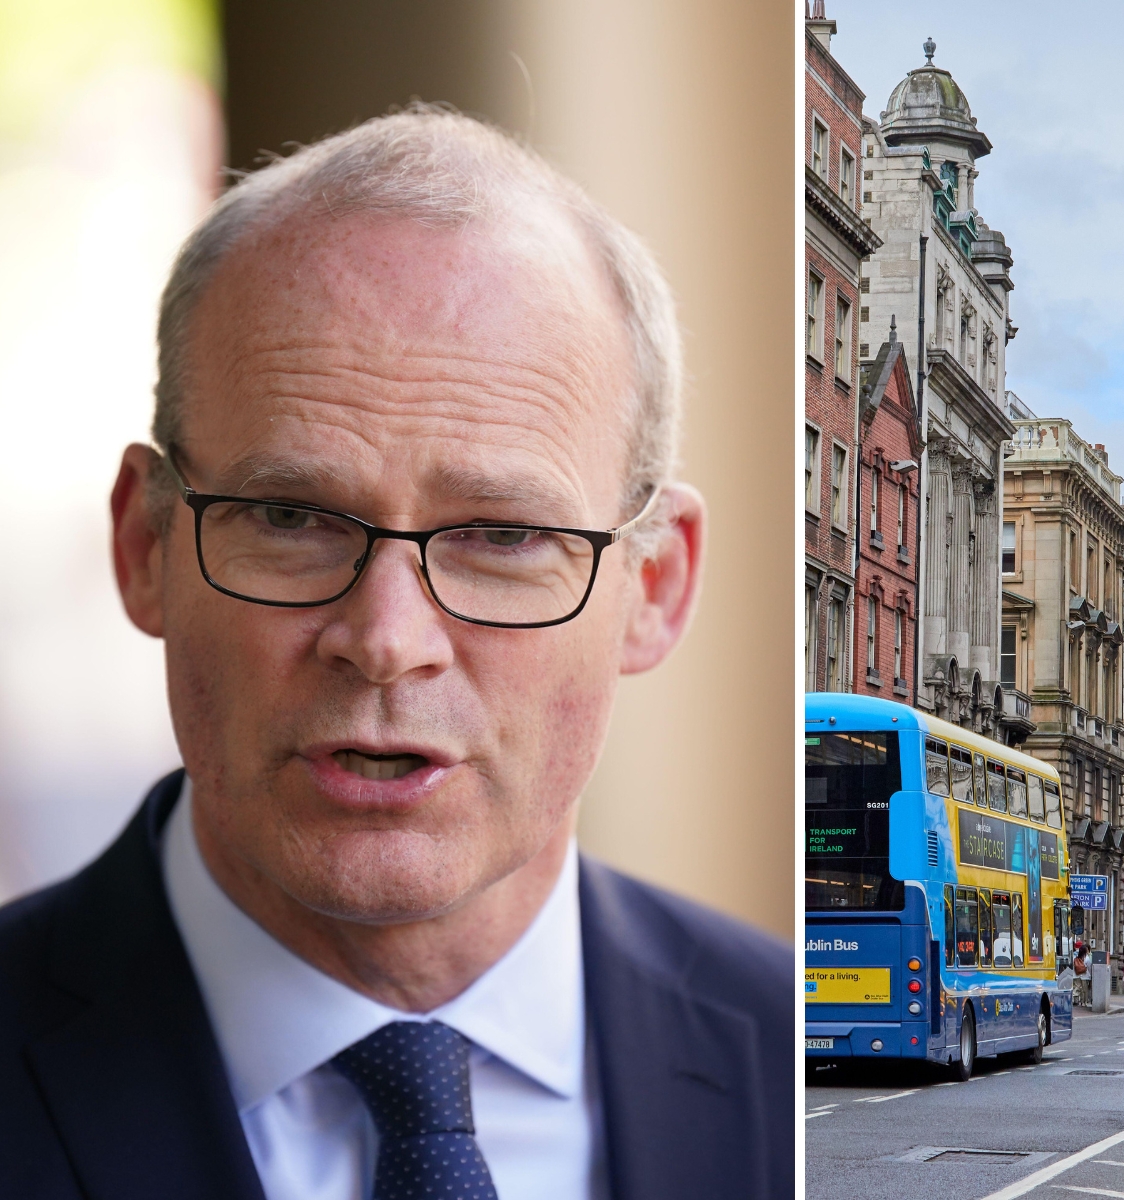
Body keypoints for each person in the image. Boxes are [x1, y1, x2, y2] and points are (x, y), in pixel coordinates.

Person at [0, 108, 791, 1200]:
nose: (385, 642)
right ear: (146, 547)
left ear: (653, 586)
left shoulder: (785, 1054)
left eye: (503, 537)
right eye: (288, 517)